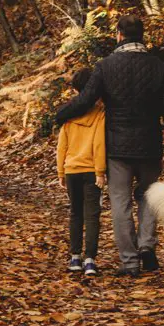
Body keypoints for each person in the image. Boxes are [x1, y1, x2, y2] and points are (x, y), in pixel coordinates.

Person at [55, 14, 164, 277]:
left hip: (117, 147)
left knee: (121, 202)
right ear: (142, 35)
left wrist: (61, 114)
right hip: (150, 145)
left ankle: (129, 262)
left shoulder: (105, 66)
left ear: (119, 35)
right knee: (149, 198)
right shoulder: (158, 67)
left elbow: (87, 100)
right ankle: (147, 245)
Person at [56, 68, 106, 276]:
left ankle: (74, 257)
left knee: (75, 213)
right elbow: (99, 144)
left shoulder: (69, 115)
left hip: (71, 170)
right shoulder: (100, 115)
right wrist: (100, 172)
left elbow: (62, 146)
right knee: (92, 215)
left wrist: (61, 172)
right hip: (90, 170)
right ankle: (90, 260)